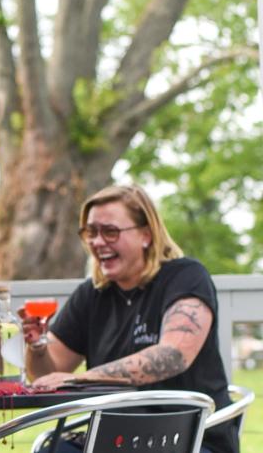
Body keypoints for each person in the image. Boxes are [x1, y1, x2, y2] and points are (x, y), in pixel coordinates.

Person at [21, 185, 237, 453]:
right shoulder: (91, 294)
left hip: (190, 440)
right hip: (114, 441)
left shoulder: (185, 276)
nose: (97, 242)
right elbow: (47, 377)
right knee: (52, 450)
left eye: (110, 231)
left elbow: (174, 356)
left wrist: (81, 378)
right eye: (91, 232)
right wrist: (38, 346)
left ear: (146, 235)